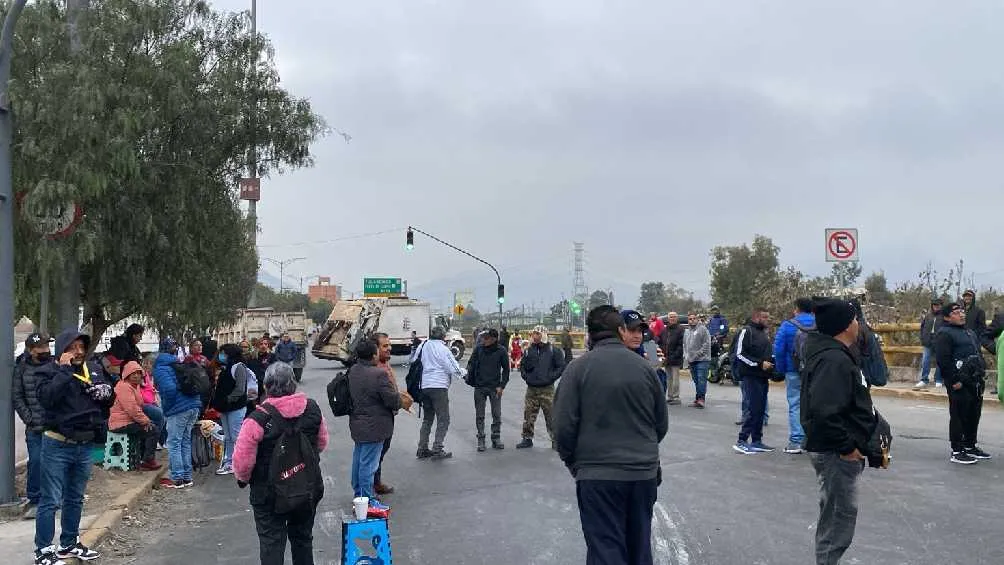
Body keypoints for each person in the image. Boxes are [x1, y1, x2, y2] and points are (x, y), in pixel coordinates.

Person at [553, 305, 668, 565]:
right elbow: (661, 424)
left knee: (605, 548)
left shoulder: (577, 370)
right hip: (642, 473)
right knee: (639, 548)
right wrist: (644, 453)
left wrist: (574, 463)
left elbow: (562, 428)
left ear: (589, 335)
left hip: (597, 476)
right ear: (620, 330)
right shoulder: (646, 369)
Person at [801, 298, 877, 565]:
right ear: (845, 326)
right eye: (855, 319)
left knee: (836, 516)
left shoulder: (833, 354)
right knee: (837, 520)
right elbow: (824, 411)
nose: (858, 324)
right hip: (836, 453)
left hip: (836, 450)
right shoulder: (833, 360)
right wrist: (847, 448)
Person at [234, 362, 327, 565]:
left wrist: (243, 479)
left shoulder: (257, 419)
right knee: (303, 539)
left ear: (266, 387)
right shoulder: (312, 409)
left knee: (271, 543)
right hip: (307, 486)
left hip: (269, 493)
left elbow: (243, 461)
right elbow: (321, 443)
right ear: (293, 384)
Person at [34, 329, 113, 565]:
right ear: (62, 349)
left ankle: (69, 543)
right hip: (57, 444)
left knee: (75, 498)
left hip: (84, 444)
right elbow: (47, 398)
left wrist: (107, 394)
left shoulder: (94, 369)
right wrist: (66, 371)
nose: (78, 352)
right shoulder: (47, 371)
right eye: (72, 347)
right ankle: (44, 550)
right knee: (50, 500)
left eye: (81, 347)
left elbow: (108, 400)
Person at [347, 339, 401, 513]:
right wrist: (401, 400)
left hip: (358, 424)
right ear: (373, 355)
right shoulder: (378, 375)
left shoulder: (353, 370)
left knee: (359, 460)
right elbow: (391, 399)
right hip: (375, 426)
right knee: (368, 465)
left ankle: (358, 495)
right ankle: (367, 500)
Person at [935, 301, 992, 464]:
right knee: (959, 415)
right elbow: (943, 360)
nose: (961, 314)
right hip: (959, 382)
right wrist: (954, 380)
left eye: (962, 311)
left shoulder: (969, 332)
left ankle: (970, 445)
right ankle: (957, 449)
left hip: (975, 381)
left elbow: (977, 353)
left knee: (974, 414)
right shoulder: (944, 334)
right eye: (956, 312)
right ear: (947, 317)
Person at [153, 337, 202, 488]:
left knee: (174, 442)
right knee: (185, 441)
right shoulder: (178, 363)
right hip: (193, 404)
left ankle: (177, 478)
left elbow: (168, 390)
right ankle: (187, 477)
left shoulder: (161, 367)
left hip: (178, 409)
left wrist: (167, 407)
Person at [12, 333, 51, 520]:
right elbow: (17, 397)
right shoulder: (21, 368)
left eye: (46, 346)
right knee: (36, 461)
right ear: (30, 350)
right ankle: (35, 500)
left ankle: (53, 498)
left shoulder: (53, 366)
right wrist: (29, 418)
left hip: (54, 425)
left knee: (54, 463)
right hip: (34, 426)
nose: (45, 350)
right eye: (40, 347)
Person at [773, 298, 815, 454]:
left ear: (797, 309)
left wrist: (781, 369)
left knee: (795, 404)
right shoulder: (820, 324)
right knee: (814, 404)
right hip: (815, 371)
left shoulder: (788, 325)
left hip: (793, 370)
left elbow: (778, 349)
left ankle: (796, 441)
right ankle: (813, 440)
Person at [416, 326, 464, 460]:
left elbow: (414, 360)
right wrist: (464, 373)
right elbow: (452, 367)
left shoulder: (423, 346)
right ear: (443, 336)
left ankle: (422, 448)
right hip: (438, 387)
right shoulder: (443, 349)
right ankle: (437, 448)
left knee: (427, 418)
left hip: (424, 386)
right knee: (443, 418)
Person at [373, 332, 411, 496]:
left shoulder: (384, 364)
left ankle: (375, 482)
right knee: (375, 453)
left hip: (387, 416)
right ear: (375, 349)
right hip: (379, 418)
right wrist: (398, 401)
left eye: (389, 345)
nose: (389, 348)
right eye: (385, 346)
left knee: (379, 452)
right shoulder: (376, 369)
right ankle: (370, 488)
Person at [733, 308, 775, 454]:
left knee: (760, 409)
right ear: (756, 317)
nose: (767, 320)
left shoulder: (764, 334)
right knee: (752, 408)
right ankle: (742, 440)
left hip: (763, 376)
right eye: (765, 317)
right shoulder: (746, 331)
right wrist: (759, 363)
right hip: (750, 376)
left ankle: (757, 440)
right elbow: (739, 354)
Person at [516, 329, 565, 449]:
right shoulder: (529, 351)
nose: (534, 336)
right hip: (532, 389)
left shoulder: (554, 351)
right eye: (533, 334)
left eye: (537, 334)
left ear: (543, 335)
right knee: (528, 415)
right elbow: (523, 366)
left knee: (551, 415)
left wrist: (550, 378)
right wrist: (527, 377)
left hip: (547, 389)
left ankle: (556, 440)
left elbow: (560, 366)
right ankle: (527, 438)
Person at [108, 361, 161, 471]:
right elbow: (132, 408)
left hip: (128, 421)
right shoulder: (124, 387)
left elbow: (139, 405)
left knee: (148, 428)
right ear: (127, 374)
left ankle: (143, 459)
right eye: (133, 373)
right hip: (120, 424)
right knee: (153, 429)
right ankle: (147, 460)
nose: (137, 376)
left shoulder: (134, 386)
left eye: (138, 373)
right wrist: (145, 420)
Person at [211, 344, 254, 475]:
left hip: (235, 407)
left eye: (224, 353)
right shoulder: (225, 367)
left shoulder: (238, 367)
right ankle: (230, 461)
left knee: (236, 436)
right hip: (225, 408)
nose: (221, 355)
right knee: (228, 437)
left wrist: (228, 399)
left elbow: (240, 389)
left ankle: (241, 462)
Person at [466, 328, 510, 452]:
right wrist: (470, 374)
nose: (483, 340)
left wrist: (502, 386)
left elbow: (506, 370)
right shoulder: (478, 349)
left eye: (486, 338)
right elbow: (470, 363)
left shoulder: (501, 351)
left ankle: (496, 438)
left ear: (494, 339)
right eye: (483, 338)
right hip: (480, 387)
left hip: (494, 388)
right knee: (480, 415)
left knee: (496, 414)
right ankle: (481, 439)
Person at [914, 298, 945, 389]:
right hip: (928, 341)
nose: (936, 306)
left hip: (939, 341)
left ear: (941, 306)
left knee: (940, 361)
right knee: (925, 361)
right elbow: (922, 327)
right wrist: (923, 338)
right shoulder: (928, 316)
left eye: (938, 305)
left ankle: (939, 380)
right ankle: (924, 380)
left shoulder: (944, 316)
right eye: (934, 305)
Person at [684, 312, 712, 408]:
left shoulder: (703, 329)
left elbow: (707, 344)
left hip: (702, 360)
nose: (692, 320)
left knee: (701, 380)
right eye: (690, 319)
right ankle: (697, 398)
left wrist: (697, 354)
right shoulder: (687, 331)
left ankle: (701, 399)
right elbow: (685, 345)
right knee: (696, 380)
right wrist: (686, 356)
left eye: (694, 318)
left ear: (697, 319)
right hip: (691, 360)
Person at [139, 353, 166, 447]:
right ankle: (155, 441)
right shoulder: (140, 375)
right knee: (160, 415)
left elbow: (150, 390)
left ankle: (159, 440)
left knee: (163, 415)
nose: (146, 365)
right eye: (144, 363)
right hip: (144, 403)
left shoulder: (152, 376)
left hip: (152, 402)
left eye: (149, 363)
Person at [659, 312, 685, 405]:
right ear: (668, 318)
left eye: (674, 317)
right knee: (668, 379)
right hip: (666, 358)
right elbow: (661, 342)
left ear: (677, 318)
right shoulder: (664, 330)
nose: (672, 318)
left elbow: (681, 345)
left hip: (676, 358)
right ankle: (670, 396)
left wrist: (674, 355)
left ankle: (676, 397)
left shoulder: (681, 329)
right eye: (670, 317)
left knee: (675, 379)